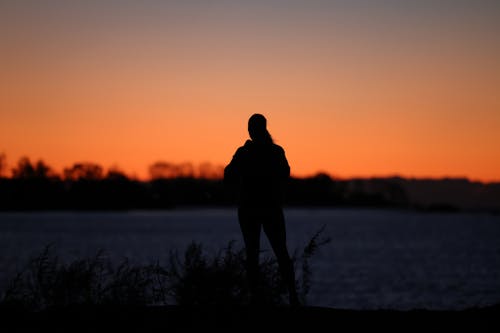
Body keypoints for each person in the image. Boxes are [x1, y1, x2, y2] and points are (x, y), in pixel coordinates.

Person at [224, 113, 299, 306]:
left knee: (253, 253)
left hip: (249, 209)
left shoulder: (244, 152)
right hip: (271, 208)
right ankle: (293, 297)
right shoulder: (275, 151)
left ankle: (256, 299)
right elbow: (285, 174)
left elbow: (228, 174)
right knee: (281, 251)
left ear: (250, 130)